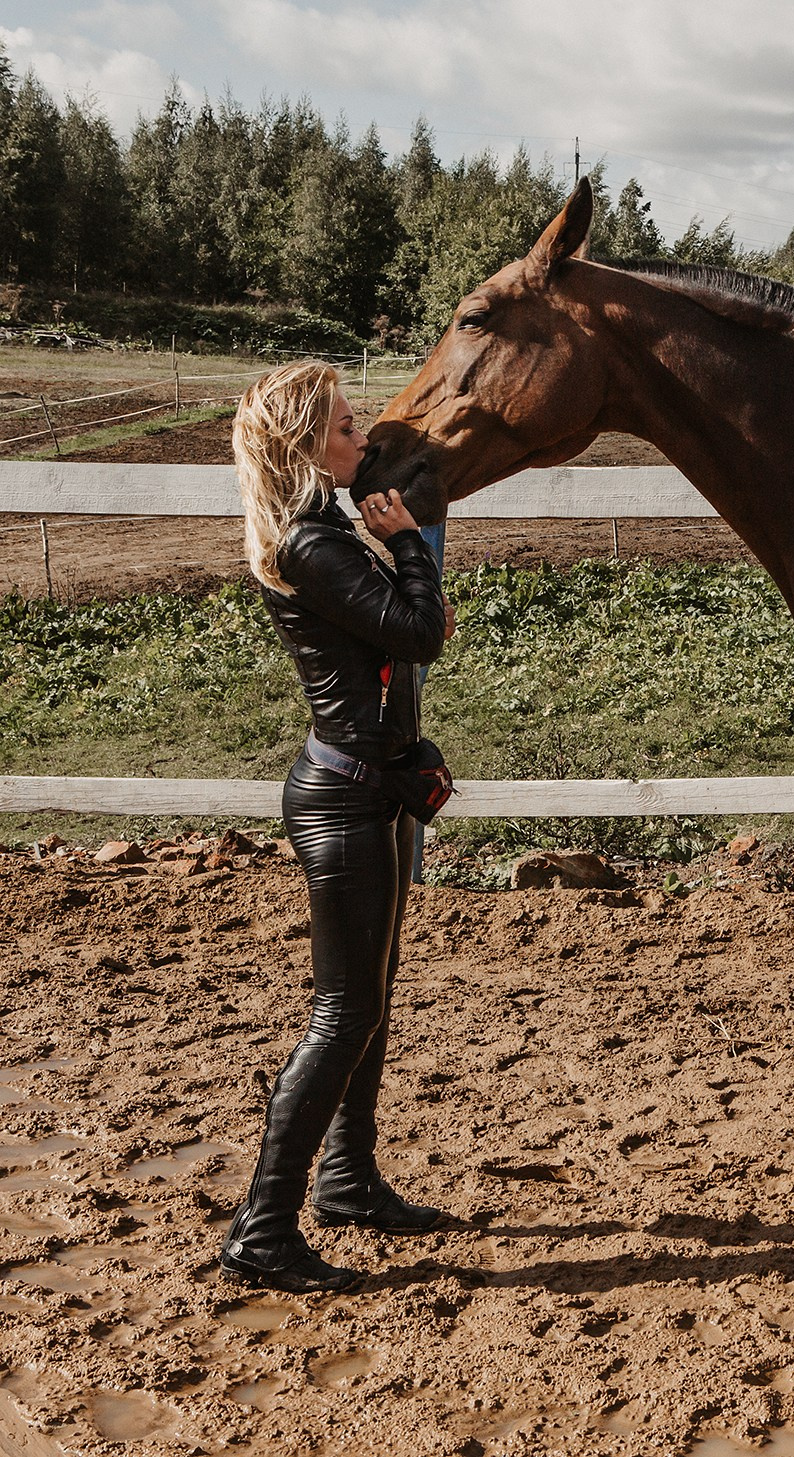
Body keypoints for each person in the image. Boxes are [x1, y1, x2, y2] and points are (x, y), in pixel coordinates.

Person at [223, 360, 456, 1293]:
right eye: (348, 426)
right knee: (342, 1011)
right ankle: (262, 1229)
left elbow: (399, 643)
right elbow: (421, 632)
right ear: (307, 445)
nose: (364, 437)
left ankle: (349, 1178)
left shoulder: (323, 531)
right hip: (345, 801)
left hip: (371, 787)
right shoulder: (311, 545)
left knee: (370, 999)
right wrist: (408, 543)